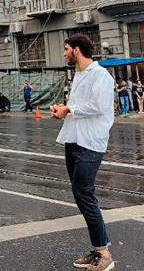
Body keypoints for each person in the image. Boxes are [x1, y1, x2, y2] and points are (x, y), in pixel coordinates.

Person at [51, 34, 115, 271]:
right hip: (74, 139)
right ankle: (98, 247)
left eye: (67, 49)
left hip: (90, 142)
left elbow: (99, 106)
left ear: (77, 50)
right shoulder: (78, 75)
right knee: (81, 194)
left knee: (84, 194)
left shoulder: (101, 75)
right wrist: (63, 110)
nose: (64, 53)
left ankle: (104, 254)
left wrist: (68, 109)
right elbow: (79, 108)